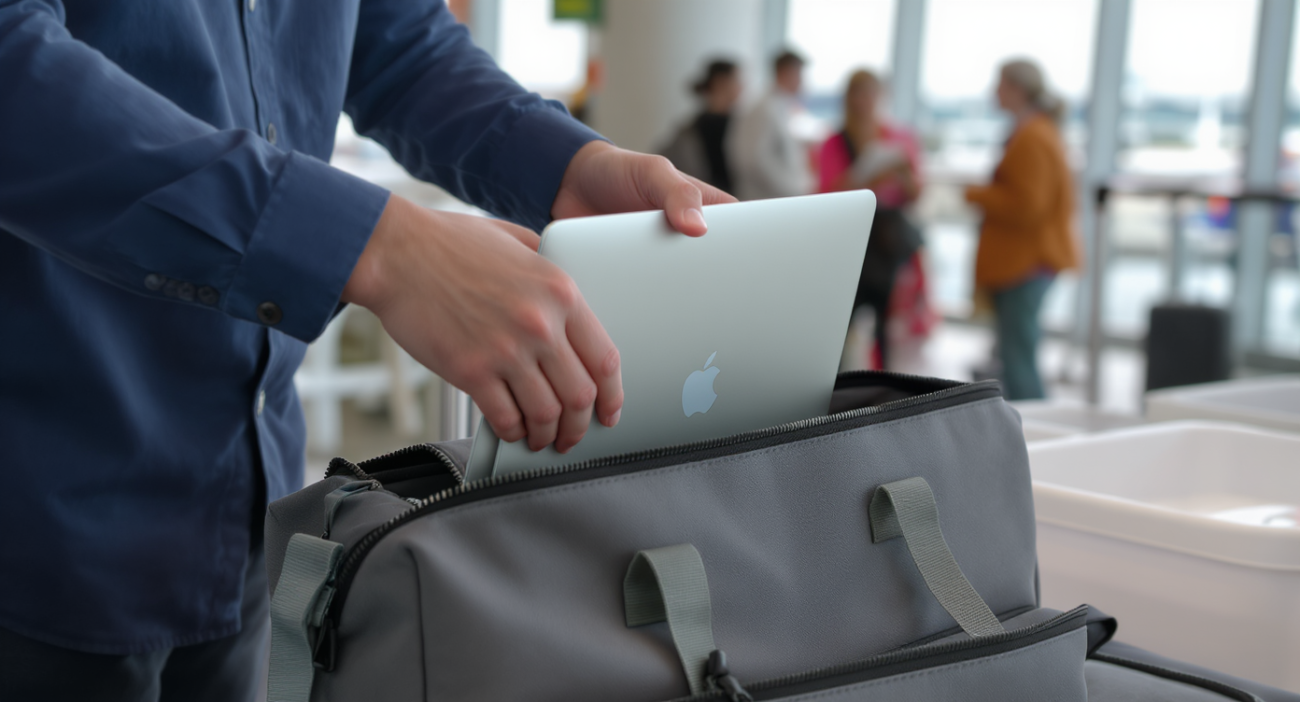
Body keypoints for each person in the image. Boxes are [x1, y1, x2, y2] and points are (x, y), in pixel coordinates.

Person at [0, 2, 731, 700]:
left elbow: (403, 47)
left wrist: (569, 166)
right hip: (42, 507)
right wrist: (380, 247)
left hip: (246, 499)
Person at [964, 59, 1079, 400]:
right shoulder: (1034, 131)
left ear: (1017, 89)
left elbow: (1029, 205)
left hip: (1027, 263)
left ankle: (1033, 426)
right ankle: (1027, 422)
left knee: (1019, 360)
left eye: (1000, 84)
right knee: (1015, 355)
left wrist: (977, 195)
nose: (994, 91)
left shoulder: (1033, 136)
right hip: (1024, 261)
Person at [817, 69, 924, 370]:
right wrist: (869, 179)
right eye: (858, 93)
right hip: (849, 242)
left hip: (886, 243)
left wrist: (903, 174)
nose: (864, 101)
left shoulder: (899, 139)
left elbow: (915, 194)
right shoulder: (834, 142)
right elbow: (825, 195)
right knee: (841, 321)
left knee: (886, 324)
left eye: (870, 93)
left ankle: (882, 382)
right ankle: (837, 382)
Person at [730, 50, 815, 201]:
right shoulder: (763, 109)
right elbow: (755, 160)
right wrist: (794, 188)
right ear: (786, 73)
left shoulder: (782, 106)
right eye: (799, 74)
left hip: (780, 197)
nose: (802, 81)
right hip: (765, 199)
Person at [658, 59, 743, 193]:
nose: (742, 86)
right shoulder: (690, 131)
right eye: (737, 80)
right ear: (721, 82)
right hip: (709, 199)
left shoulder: (741, 123)